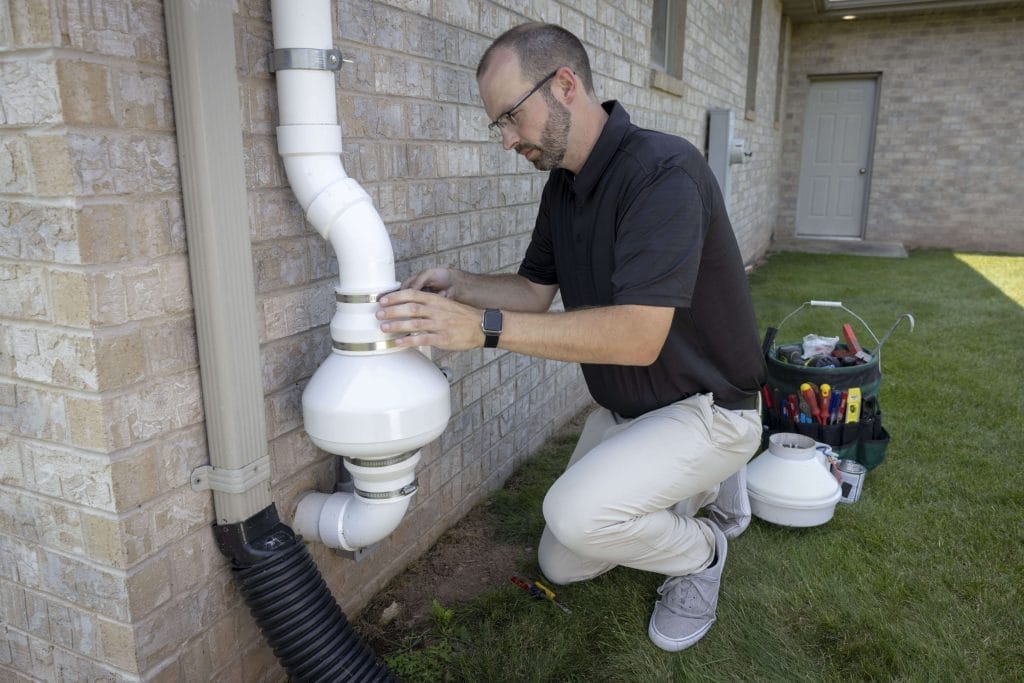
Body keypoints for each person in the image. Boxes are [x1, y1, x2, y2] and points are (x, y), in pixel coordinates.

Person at [376, 22, 766, 652]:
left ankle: (702, 553)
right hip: (635, 412)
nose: (505, 140)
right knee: (564, 561)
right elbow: (534, 291)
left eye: (509, 117)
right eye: (495, 124)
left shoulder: (664, 173)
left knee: (578, 514)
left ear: (564, 86)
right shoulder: (564, 187)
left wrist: (482, 331)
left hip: (710, 408)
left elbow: (638, 337)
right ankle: (699, 484)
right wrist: (461, 286)